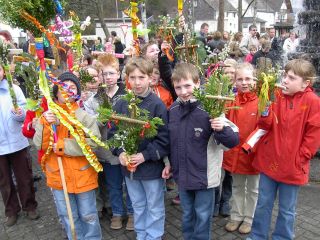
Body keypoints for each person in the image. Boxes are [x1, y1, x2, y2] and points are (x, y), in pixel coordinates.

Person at [244, 59, 320, 239]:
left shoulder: (313, 101)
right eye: (285, 76)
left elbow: (313, 134)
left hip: (293, 165)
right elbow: (265, 125)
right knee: (263, 204)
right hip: (270, 160)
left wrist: (301, 157)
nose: (285, 80)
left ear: (305, 83)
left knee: (287, 209)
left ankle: (283, 237)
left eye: (291, 78)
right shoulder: (276, 95)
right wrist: (265, 110)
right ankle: (257, 236)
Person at [168, 62, 239, 240]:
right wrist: (169, 164)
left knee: (203, 217)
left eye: (187, 86)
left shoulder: (210, 108)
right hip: (183, 177)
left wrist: (221, 129)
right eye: (178, 87)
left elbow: (232, 141)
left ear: (198, 83)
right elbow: (171, 142)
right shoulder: (173, 110)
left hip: (205, 178)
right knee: (187, 215)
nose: (183, 91)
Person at [33, 72, 102, 240]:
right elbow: (38, 144)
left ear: (76, 92)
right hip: (58, 177)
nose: (67, 90)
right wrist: (44, 123)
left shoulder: (84, 117)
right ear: (56, 91)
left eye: (72, 87)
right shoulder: (48, 116)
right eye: (63, 87)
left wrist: (65, 145)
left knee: (88, 215)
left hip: (82, 176)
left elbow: (93, 142)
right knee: (68, 216)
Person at [113, 57, 170, 240]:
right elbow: (114, 133)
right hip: (129, 170)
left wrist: (145, 155)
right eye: (133, 77)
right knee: (137, 204)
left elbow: (164, 139)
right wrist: (120, 152)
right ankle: (141, 234)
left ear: (150, 78)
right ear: (127, 78)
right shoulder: (121, 104)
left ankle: (153, 236)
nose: (137, 82)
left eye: (141, 77)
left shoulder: (157, 105)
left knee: (153, 205)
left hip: (151, 168)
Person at [84, 54, 134, 230]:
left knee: (129, 184)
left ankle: (131, 213)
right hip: (106, 150)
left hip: (126, 149)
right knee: (113, 184)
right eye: (104, 74)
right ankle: (117, 213)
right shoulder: (94, 99)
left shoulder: (127, 96)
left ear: (119, 74)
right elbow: (89, 124)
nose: (108, 77)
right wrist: (101, 119)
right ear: (99, 76)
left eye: (112, 73)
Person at [0, 64, 39, 227]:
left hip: (17, 141)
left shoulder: (13, 89)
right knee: (4, 180)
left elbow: (25, 110)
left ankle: (29, 206)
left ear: (4, 70)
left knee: (24, 176)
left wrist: (19, 114)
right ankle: (11, 210)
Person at [223, 63, 260, 234]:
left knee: (253, 189)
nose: (244, 82)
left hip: (253, 153)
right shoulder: (231, 101)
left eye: (248, 79)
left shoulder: (262, 101)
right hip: (235, 153)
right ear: (235, 81)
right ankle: (236, 215)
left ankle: (249, 218)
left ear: (254, 80)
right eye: (240, 79)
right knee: (237, 186)